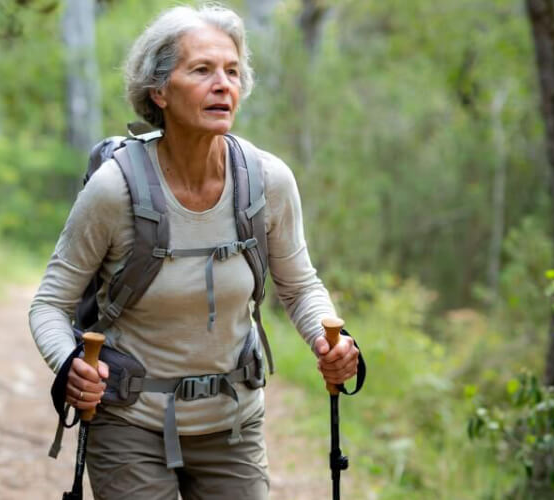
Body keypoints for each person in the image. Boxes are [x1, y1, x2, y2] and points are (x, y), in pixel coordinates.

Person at [29, 4, 359, 499]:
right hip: (128, 422)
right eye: (202, 70)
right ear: (158, 91)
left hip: (232, 425)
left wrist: (330, 341)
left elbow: (300, 286)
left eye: (232, 71)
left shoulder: (267, 181)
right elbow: (49, 305)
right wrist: (71, 362)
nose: (223, 84)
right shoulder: (114, 190)